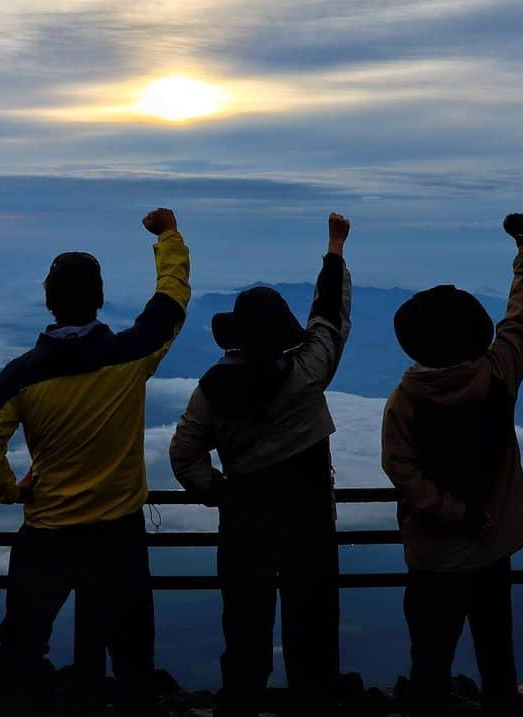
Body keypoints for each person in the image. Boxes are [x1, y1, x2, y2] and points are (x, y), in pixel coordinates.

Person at [0, 208, 191, 716]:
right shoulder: (130, 356)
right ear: (100, 298)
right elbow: (172, 302)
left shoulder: (19, 377)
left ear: (48, 301)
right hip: (118, 535)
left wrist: (11, 490)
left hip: (47, 534)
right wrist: (168, 236)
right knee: (132, 655)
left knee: (22, 645)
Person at [169, 212, 354, 717]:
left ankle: (241, 703)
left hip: (244, 520)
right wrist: (335, 248)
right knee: (311, 622)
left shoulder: (211, 387)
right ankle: (312, 704)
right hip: (308, 519)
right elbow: (329, 320)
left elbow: (183, 455)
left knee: (245, 625)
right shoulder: (309, 371)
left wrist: (220, 491)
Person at [381, 213, 523, 715]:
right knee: (498, 656)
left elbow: (401, 472)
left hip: (433, 557)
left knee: (429, 660)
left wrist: (454, 513)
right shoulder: (499, 374)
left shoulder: (403, 401)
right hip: (494, 547)